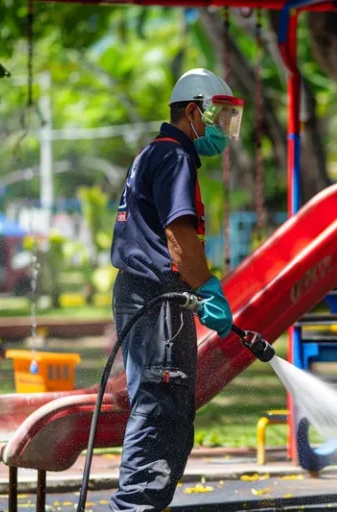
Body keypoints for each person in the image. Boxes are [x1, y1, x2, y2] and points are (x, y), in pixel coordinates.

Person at [109, 68, 245, 511]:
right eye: (218, 119)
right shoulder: (175, 157)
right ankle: (133, 507)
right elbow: (179, 237)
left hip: (143, 294)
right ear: (192, 111)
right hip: (157, 296)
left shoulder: (154, 153)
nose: (223, 132)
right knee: (161, 406)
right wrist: (207, 286)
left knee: (164, 405)